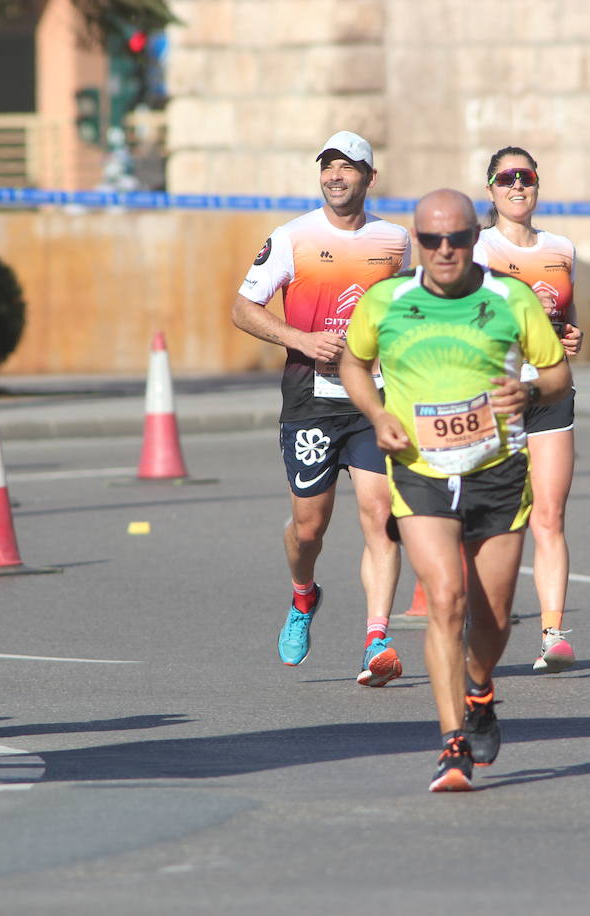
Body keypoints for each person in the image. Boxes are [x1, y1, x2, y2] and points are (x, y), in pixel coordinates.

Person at [339, 189, 572, 791]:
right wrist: (376, 413)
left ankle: (479, 688)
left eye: (458, 239)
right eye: (432, 240)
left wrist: (530, 395)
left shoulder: (509, 298)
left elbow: (557, 374)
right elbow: (352, 364)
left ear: (476, 238)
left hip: (497, 468)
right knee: (445, 600)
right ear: (417, 240)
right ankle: (453, 743)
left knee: (491, 618)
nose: (446, 251)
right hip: (420, 467)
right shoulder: (387, 300)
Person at [231, 131, 411, 686]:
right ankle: (303, 596)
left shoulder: (397, 241)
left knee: (381, 515)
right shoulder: (292, 238)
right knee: (310, 527)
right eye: (328, 166)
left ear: (369, 178)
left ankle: (376, 639)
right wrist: (302, 339)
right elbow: (243, 309)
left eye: (348, 167)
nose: (336, 175)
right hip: (310, 398)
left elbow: (410, 313)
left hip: (374, 399)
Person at [473, 146, 583, 672]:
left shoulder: (561, 248)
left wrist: (570, 332)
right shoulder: (476, 249)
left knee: (550, 515)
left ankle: (553, 634)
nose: (518, 186)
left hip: (548, 393)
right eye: (506, 178)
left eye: (527, 177)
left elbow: (567, 314)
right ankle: (476, 615)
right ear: (490, 189)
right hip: (491, 397)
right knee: (491, 518)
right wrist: (518, 310)